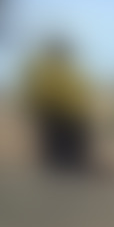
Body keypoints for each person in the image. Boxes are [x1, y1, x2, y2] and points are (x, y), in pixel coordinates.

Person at [22, 36, 93, 170]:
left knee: (68, 139)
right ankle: (59, 164)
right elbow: (34, 89)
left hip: (69, 111)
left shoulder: (64, 68)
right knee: (55, 139)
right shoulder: (43, 67)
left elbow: (77, 89)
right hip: (54, 110)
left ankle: (67, 163)